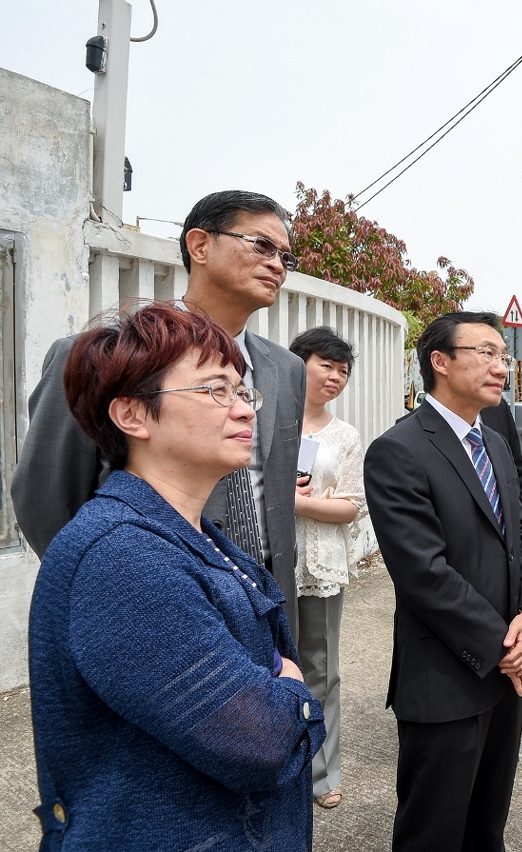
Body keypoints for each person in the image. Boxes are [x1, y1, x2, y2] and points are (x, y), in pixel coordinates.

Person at [28, 303, 324, 850]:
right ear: (132, 415)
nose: (243, 411)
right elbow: (259, 741)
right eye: (215, 391)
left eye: (242, 392)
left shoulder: (193, 532)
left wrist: (278, 686)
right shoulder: (121, 557)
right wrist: (292, 691)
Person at [12, 190, 308, 637]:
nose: (277, 264)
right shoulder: (101, 355)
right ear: (200, 245)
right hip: (147, 609)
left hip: (264, 598)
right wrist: (106, 596)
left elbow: (278, 499)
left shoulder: (287, 370)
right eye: (261, 245)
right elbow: (47, 497)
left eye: (286, 256)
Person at [364, 311, 522, 852]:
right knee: (433, 831)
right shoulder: (398, 450)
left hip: (510, 668)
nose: (502, 365)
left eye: (503, 354)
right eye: (485, 352)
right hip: (445, 675)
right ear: (439, 362)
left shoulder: (494, 439)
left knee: (488, 826)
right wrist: (503, 646)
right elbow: (424, 574)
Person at [289, 327, 365, 810]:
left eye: (343, 371)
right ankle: (273, 765)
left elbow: (353, 507)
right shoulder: (263, 423)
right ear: (298, 365)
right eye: (327, 365)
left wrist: (296, 504)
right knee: (265, 667)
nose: (335, 377)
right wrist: (317, 501)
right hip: (267, 563)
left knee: (320, 670)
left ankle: (322, 771)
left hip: (320, 566)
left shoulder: (345, 436)